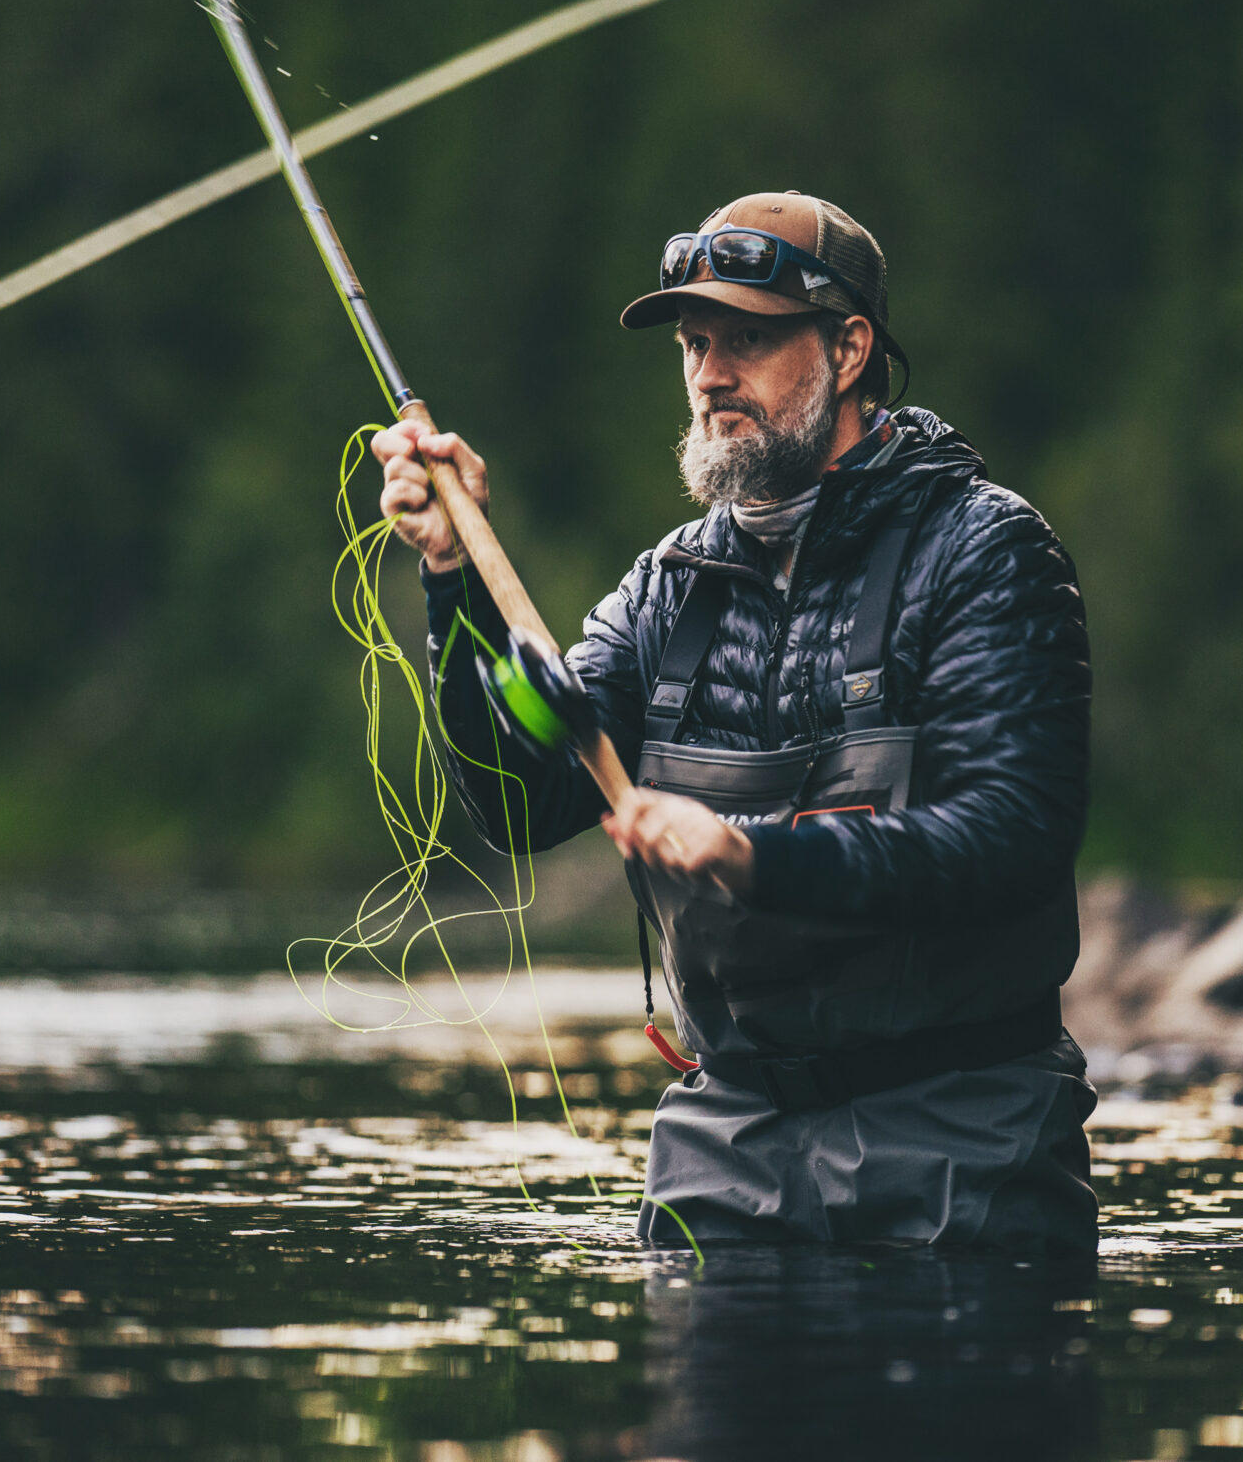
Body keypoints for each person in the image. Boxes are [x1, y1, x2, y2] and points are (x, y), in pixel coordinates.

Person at [372, 191, 1096, 1253]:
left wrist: (756, 857)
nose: (710, 374)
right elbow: (518, 800)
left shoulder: (985, 552)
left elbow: (1013, 838)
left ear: (848, 348)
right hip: (723, 1141)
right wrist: (450, 576)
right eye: (696, 343)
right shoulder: (663, 588)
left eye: (747, 340)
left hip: (960, 1135)